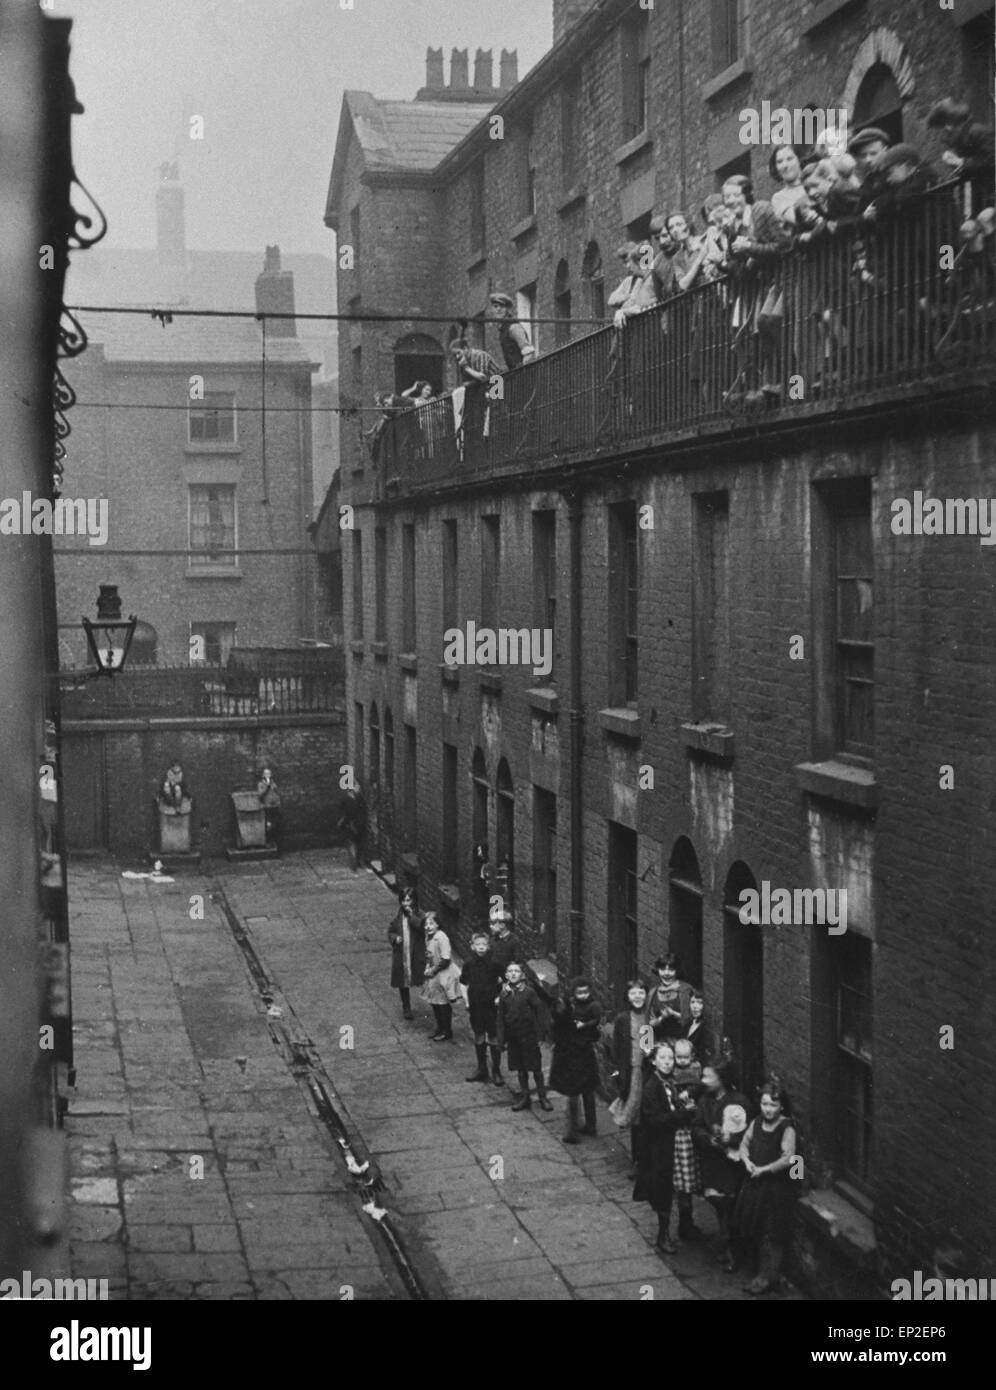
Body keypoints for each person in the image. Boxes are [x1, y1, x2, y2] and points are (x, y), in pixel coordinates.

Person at [735, 1078, 800, 1295]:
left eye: (772, 1105)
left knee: (772, 1233)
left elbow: (789, 1158)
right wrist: (747, 1161)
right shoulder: (756, 1123)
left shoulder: (786, 1127)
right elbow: (744, 1144)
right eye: (764, 1104)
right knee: (755, 1226)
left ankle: (767, 1277)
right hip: (755, 1186)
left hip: (775, 1190)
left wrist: (764, 1169)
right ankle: (758, 1271)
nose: (768, 1109)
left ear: (781, 1106)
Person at [632, 1042, 698, 1256]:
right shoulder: (652, 1086)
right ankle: (663, 1235)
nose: (668, 1062)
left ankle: (686, 1226)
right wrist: (682, 1114)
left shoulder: (669, 1081)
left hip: (675, 1142)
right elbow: (655, 1120)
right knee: (664, 1189)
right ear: (653, 1061)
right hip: (660, 1147)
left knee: (683, 1183)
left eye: (671, 1058)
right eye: (663, 1058)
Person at [693, 1062, 751, 1271]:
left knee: (730, 1204)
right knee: (716, 1200)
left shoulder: (740, 1102)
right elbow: (697, 1127)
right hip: (712, 1161)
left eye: (708, 1077)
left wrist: (731, 1139)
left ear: (721, 1079)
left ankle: (730, 1248)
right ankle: (726, 1238)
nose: (704, 1081)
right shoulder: (704, 1101)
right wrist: (709, 1140)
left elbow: (748, 1133)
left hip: (731, 1164)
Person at [548, 977, 602, 1143]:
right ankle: (583, 1128)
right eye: (580, 992)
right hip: (580, 1055)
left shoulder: (591, 1006)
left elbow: (596, 1023)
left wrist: (583, 1026)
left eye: (586, 992)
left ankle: (582, 1128)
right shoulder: (571, 1008)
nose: (583, 995)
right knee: (584, 1090)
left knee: (580, 1092)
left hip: (579, 1056)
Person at [609, 977, 653, 1168]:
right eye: (633, 993)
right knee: (635, 1118)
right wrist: (618, 1071)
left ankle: (646, 1159)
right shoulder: (622, 1019)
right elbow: (617, 1049)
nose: (637, 997)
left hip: (646, 1072)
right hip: (631, 1072)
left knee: (646, 1116)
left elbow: (647, 1047)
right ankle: (637, 1160)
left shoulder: (649, 1017)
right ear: (627, 997)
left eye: (641, 993)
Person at [497, 961, 552, 1111]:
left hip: (529, 1036)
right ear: (506, 975)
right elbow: (501, 1017)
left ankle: (543, 1097)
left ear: (522, 975)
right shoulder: (504, 994)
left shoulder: (529, 992)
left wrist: (541, 1035)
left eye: (517, 971)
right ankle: (525, 1097)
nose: (513, 974)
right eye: (510, 971)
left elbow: (540, 1012)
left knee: (536, 1068)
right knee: (521, 1069)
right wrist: (501, 1039)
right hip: (514, 1037)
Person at [460, 929, 504, 1085]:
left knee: (493, 1037)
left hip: (492, 1007)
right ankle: (481, 1069)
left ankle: (496, 1071)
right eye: (477, 944)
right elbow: (463, 983)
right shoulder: (468, 964)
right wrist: (466, 1001)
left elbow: (506, 982)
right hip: (476, 1006)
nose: (480, 947)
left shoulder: (495, 964)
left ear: (488, 946)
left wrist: (500, 998)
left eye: (484, 944)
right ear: (472, 946)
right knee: (479, 1035)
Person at [672, 1038, 705, 1240]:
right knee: (684, 1183)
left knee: (691, 1180)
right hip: (682, 1132)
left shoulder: (697, 1071)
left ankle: (688, 1223)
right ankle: (685, 1224)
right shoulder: (671, 1074)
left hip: (694, 1130)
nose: (682, 1061)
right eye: (679, 1057)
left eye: (685, 1057)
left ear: (692, 1057)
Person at [420, 911, 462, 1041]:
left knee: (442, 1003)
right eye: (426, 924)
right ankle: (440, 1027)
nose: (428, 926)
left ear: (438, 924)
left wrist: (432, 970)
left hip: (443, 974)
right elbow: (429, 955)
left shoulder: (441, 937)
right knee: (435, 1002)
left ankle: (446, 1030)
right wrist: (428, 967)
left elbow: (445, 958)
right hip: (434, 974)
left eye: (431, 923)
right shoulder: (428, 937)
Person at [388, 887, 426, 1021]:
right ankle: (406, 1007)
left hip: (416, 954)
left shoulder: (420, 914)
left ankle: (435, 1003)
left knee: (424, 979)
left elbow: (423, 928)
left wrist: (412, 916)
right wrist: (395, 938)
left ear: (414, 901)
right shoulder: (399, 915)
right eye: (403, 901)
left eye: (409, 900)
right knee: (403, 982)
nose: (406, 904)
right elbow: (391, 930)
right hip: (402, 954)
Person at [649, 954, 692, 1041]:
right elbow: (648, 1023)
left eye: (671, 970)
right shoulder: (653, 993)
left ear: (677, 971)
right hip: (659, 1046)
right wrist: (662, 1018)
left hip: (683, 1046)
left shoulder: (686, 990)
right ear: (657, 970)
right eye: (663, 969)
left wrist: (673, 1013)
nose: (666, 973)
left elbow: (691, 1020)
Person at [768, 145, 812, 230]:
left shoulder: (813, 180)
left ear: (799, 159)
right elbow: (798, 218)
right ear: (776, 167)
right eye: (780, 162)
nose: (785, 165)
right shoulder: (779, 198)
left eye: (789, 159)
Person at [488, 293, 536, 369]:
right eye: (496, 306)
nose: (499, 309)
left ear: (507, 309)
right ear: (491, 310)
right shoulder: (503, 329)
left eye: (502, 306)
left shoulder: (513, 327)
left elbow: (529, 353)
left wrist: (522, 373)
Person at [336, 784, 368, 872]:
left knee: (360, 845)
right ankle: (354, 867)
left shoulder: (360, 798)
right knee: (352, 846)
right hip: (350, 825)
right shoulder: (346, 799)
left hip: (359, 825)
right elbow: (344, 813)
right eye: (357, 786)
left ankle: (360, 864)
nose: (359, 788)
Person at [683, 990, 716, 1064]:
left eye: (700, 1003)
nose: (695, 1006)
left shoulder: (707, 1027)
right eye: (692, 1002)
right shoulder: (688, 1024)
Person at [256, 766, 281, 847]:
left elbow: (277, 793)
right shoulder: (260, 784)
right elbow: (260, 795)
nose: (267, 775)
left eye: (269, 773)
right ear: (263, 775)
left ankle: (274, 842)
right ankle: (268, 842)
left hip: (275, 806)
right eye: (266, 773)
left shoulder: (273, 783)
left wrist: (278, 801)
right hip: (267, 806)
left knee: (275, 824)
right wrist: (266, 788)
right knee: (268, 824)